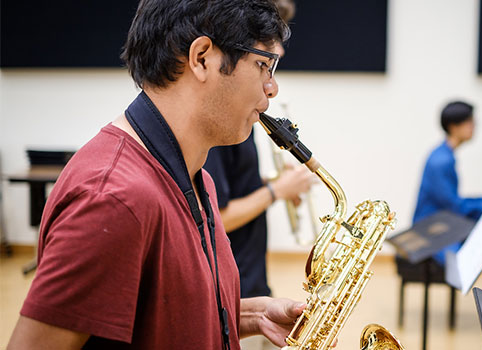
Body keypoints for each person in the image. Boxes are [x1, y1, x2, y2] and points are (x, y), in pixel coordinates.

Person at [7, 1, 306, 349]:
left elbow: (159, 316)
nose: (272, 88)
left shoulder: (195, 176)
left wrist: (254, 316)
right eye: (262, 65)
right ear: (202, 58)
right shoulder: (113, 199)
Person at [203, 0, 312, 299]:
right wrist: (276, 191)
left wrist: (275, 186)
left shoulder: (243, 117)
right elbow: (216, 218)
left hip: (250, 281)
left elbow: (231, 187)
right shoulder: (218, 124)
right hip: (232, 288)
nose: (281, 50)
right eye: (271, 41)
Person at [413, 100, 482, 265]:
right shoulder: (441, 160)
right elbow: (455, 206)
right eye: (470, 122)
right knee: (461, 261)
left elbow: (454, 202)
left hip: (440, 219)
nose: (474, 126)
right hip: (429, 226)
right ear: (454, 127)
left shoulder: (444, 153)